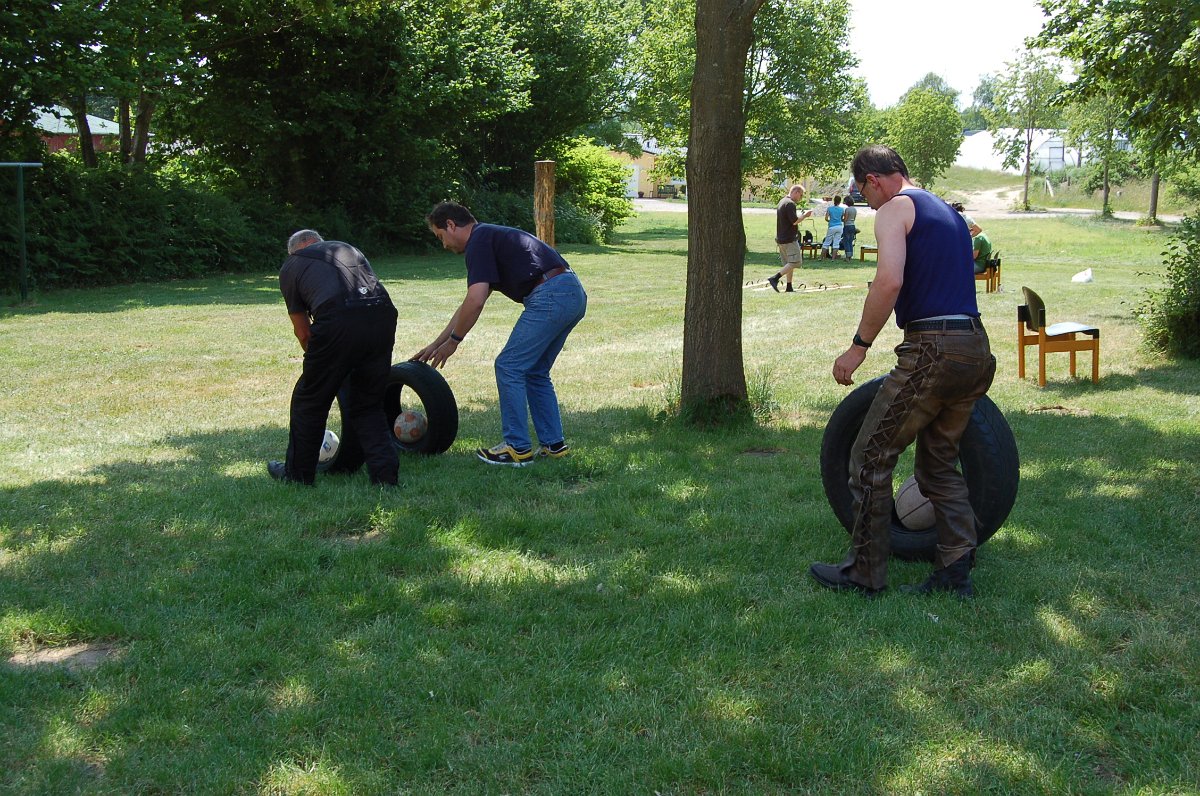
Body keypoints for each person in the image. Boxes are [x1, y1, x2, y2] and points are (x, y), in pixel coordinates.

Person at [809, 145, 996, 598]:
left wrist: (858, 348)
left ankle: (864, 574)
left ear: (873, 179)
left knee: (869, 457)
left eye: (862, 192)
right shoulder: (948, 214)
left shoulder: (895, 208)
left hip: (934, 348)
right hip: (974, 346)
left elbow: (889, 280)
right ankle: (954, 570)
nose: (866, 202)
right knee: (936, 468)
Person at [415, 202, 587, 467]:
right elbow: (467, 305)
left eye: (440, 237)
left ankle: (517, 448)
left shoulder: (478, 241)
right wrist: (436, 343)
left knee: (509, 366)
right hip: (570, 291)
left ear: (450, 224)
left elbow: (476, 300)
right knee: (535, 371)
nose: (444, 245)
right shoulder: (488, 236)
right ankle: (554, 446)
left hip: (551, 294)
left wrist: (454, 342)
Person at [269, 230, 399, 486]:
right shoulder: (346, 247)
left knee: (310, 400)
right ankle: (385, 477)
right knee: (369, 403)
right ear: (318, 243)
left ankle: (298, 476)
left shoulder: (292, 264)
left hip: (338, 319)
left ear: (296, 250)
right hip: (383, 315)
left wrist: (322, 366)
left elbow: (303, 331)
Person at [767, 185, 814, 292]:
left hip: (781, 238)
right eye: (801, 195)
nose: (800, 198)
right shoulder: (790, 204)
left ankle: (789, 286)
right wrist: (805, 216)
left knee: (789, 263)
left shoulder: (782, 201)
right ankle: (775, 278)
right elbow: (795, 221)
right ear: (796, 192)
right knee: (796, 262)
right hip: (789, 239)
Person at [840, 195, 858, 260]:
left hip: (847, 226)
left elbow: (845, 219)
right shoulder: (854, 209)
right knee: (850, 241)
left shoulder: (847, 209)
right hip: (853, 225)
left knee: (846, 241)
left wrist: (841, 219)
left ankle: (847, 256)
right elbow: (854, 218)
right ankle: (851, 255)